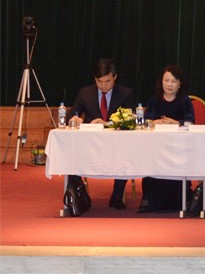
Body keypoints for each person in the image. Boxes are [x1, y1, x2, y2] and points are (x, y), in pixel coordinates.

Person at [66, 58, 136, 210]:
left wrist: (108, 124)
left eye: (107, 81)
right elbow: (70, 116)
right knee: (71, 153)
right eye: (99, 81)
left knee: (126, 152)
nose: (103, 85)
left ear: (115, 77)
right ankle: (79, 194)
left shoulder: (125, 93)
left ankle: (117, 196)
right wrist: (76, 119)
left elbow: (131, 121)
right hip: (90, 145)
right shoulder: (85, 93)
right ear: (94, 79)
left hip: (117, 146)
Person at [138, 65, 194, 213]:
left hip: (178, 148)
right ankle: (149, 199)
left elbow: (190, 122)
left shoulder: (185, 100)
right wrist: (155, 122)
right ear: (161, 82)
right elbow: (145, 121)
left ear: (180, 84)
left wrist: (175, 123)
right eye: (166, 80)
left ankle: (179, 201)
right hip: (156, 148)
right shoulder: (154, 99)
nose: (169, 84)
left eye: (174, 81)